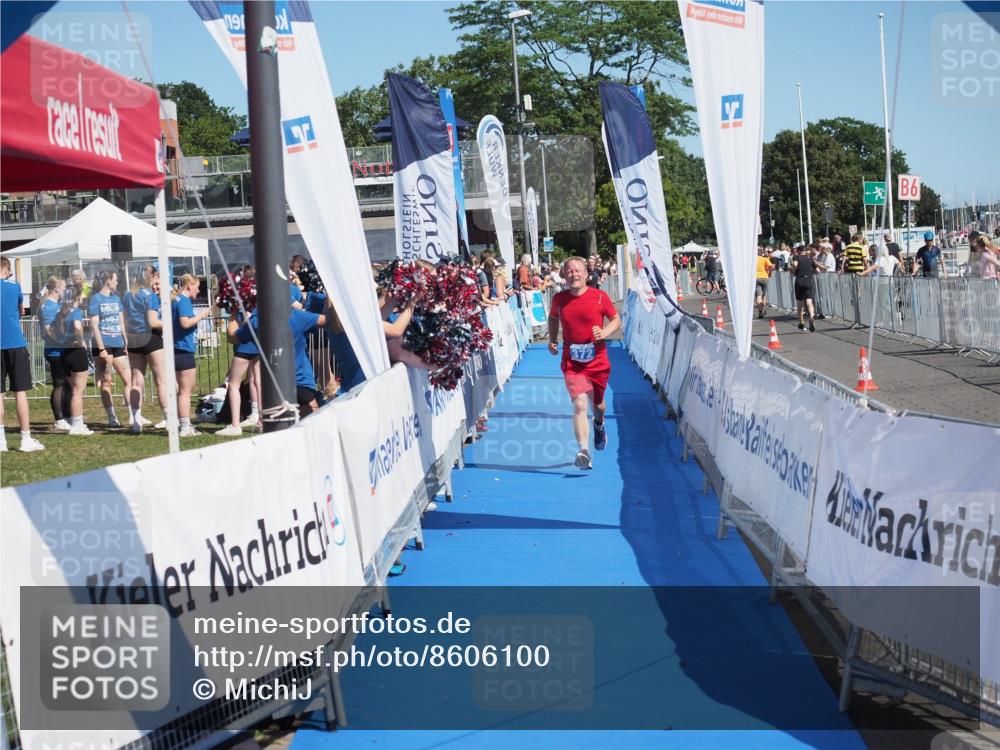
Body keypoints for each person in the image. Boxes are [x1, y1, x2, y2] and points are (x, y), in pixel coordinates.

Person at [547, 256, 621, 470]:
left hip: (597, 360)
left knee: (598, 405)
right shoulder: (559, 300)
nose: (574, 275)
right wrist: (552, 340)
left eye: (578, 271)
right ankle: (584, 451)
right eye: (569, 271)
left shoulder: (599, 297)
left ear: (586, 274)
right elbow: (553, 318)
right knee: (579, 404)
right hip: (572, 361)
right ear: (564, 275)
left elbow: (616, 320)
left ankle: (599, 425)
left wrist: (605, 331)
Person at [229, 302, 333, 418]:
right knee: (312, 427)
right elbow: (328, 320)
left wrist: (233, 314)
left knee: (282, 430)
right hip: (300, 382)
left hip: (273, 388)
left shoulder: (256, 321)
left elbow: (232, 337)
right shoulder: (297, 316)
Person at [1, 257, 45, 452]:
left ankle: (1, 440)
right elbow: (20, 311)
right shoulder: (14, 287)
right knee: (20, 393)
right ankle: (25, 438)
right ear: (6, 270)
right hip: (15, 343)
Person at [123, 265, 167, 434]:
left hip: (134, 339)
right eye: (155, 277)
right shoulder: (151, 296)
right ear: (151, 277)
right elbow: (153, 322)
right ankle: (168, 418)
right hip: (151, 338)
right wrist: (170, 323)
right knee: (161, 380)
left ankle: (135, 420)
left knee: (136, 381)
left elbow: (126, 321)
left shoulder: (128, 295)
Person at [88, 270, 131, 428]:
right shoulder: (96, 299)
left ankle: (133, 415)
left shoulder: (116, 298)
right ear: (108, 281)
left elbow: (121, 323)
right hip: (103, 344)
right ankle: (112, 416)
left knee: (129, 379)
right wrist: (101, 349)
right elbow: (94, 325)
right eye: (115, 279)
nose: (117, 282)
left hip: (118, 343)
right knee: (106, 382)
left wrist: (126, 342)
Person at [171, 275, 211, 437]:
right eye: (197, 286)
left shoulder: (176, 300)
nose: (199, 290)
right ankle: (184, 426)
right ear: (189, 286)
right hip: (183, 349)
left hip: (177, 349)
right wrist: (202, 315)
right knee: (185, 391)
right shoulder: (184, 301)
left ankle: (184, 423)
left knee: (184, 389)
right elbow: (185, 322)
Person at [54, 287, 94, 435]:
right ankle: (77, 425)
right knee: (78, 391)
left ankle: (75, 421)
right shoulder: (75, 313)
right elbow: (78, 327)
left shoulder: (59, 314)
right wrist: (80, 339)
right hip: (76, 353)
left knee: (74, 390)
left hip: (64, 354)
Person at [39, 275, 71, 431]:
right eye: (64, 286)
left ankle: (68, 415)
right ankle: (59, 418)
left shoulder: (57, 305)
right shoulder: (48, 306)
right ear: (56, 288)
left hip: (64, 350)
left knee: (68, 384)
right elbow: (48, 332)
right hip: (54, 352)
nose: (65, 289)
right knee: (59, 384)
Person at [790, 243, 822, 332]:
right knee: (809, 301)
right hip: (808, 280)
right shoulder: (810, 259)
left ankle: (801, 322)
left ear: (799, 251)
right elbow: (818, 271)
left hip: (799, 281)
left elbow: (795, 265)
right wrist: (810, 272)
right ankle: (811, 317)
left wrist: (792, 269)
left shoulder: (796, 257)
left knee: (800, 304)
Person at [754, 247, 774, 319]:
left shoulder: (752, 259)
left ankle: (760, 312)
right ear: (761, 252)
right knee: (764, 295)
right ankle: (764, 309)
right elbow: (771, 266)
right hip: (765, 277)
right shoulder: (765, 259)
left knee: (758, 296)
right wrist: (770, 273)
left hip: (756, 278)